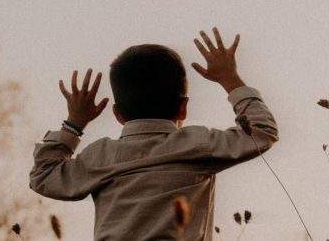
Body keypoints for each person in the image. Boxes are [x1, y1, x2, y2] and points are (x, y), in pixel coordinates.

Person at [30, 27, 278, 240]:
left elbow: (44, 177)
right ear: (183, 108)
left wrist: (75, 122)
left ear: (117, 114)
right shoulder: (196, 145)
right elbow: (262, 132)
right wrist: (229, 78)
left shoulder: (100, 156)